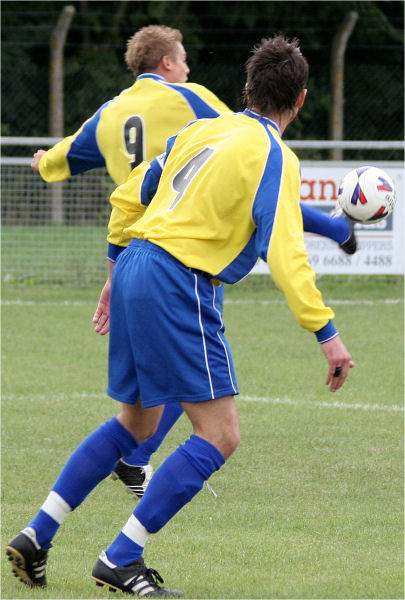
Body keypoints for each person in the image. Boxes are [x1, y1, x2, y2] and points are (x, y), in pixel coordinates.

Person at [7, 34, 354, 596]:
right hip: (180, 281)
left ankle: (37, 532)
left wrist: (116, 273)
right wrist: (327, 334)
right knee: (219, 433)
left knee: (137, 423)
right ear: (302, 100)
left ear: (245, 89)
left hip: (138, 263)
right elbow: (286, 255)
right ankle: (122, 555)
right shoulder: (275, 155)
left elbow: (129, 195)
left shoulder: (202, 130)